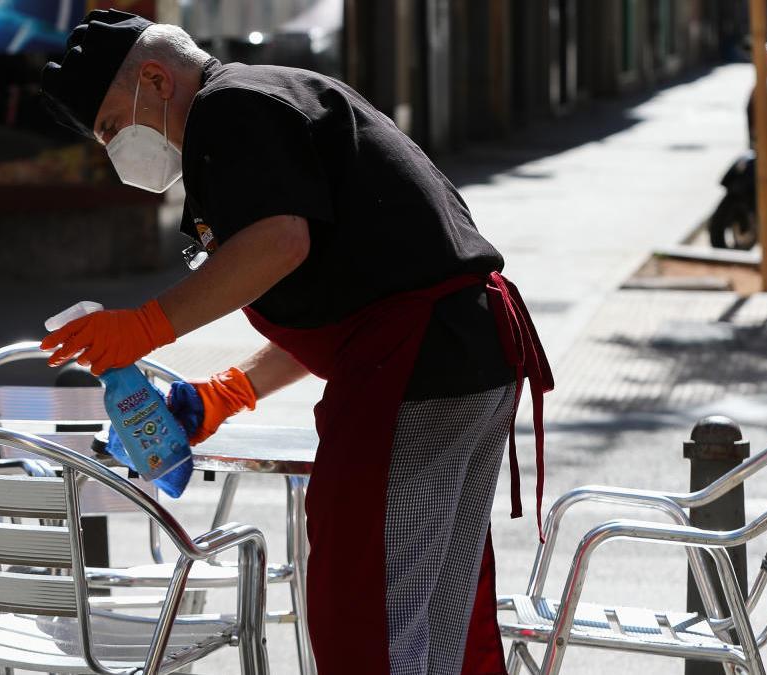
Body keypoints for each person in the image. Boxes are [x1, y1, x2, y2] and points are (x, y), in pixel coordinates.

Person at [39, 10, 551, 675]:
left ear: (157, 80)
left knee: (372, 609)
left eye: (110, 126)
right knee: (432, 616)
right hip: (469, 354)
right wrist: (230, 390)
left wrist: (145, 324)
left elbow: (281, 243)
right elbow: (353, 294)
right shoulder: (268, 100)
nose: (114, 150)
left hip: (423, 365)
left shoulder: (227, 110)